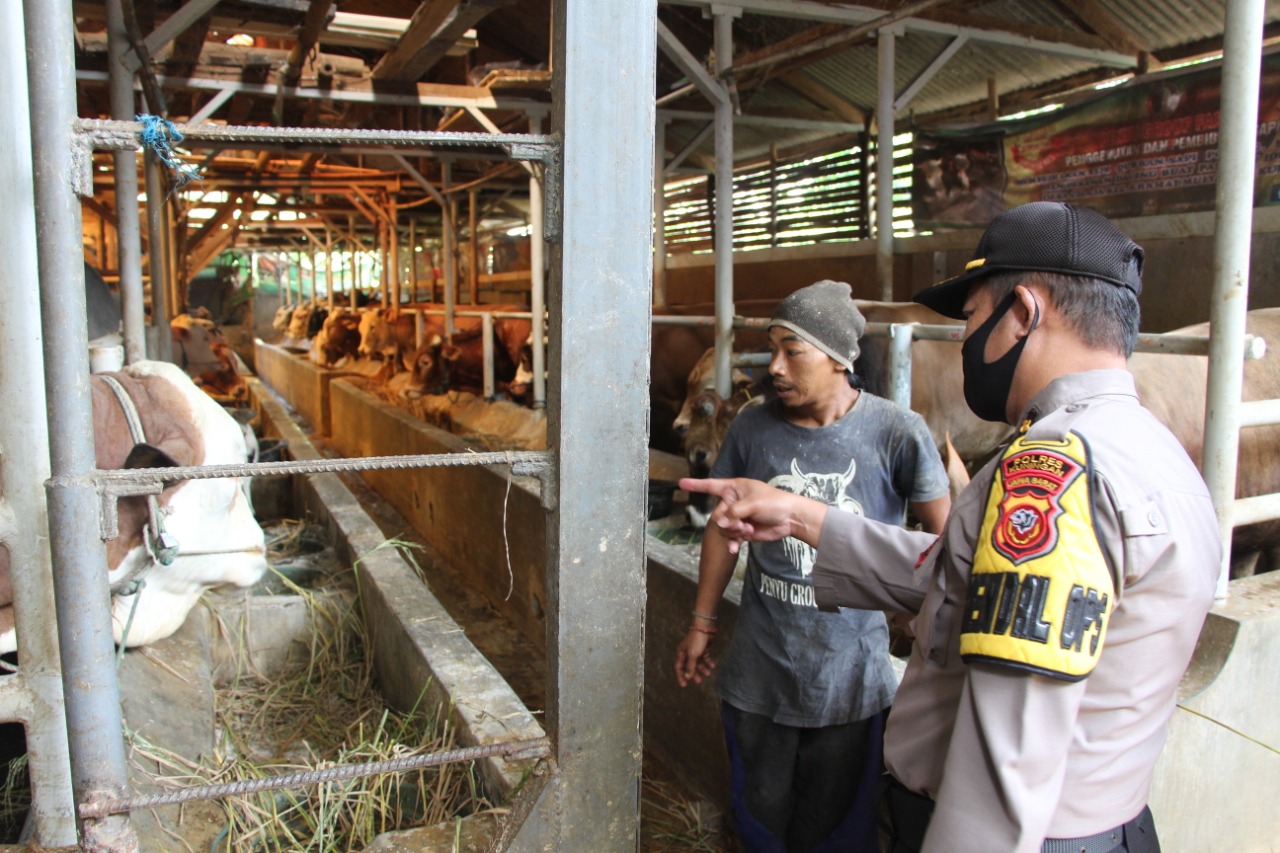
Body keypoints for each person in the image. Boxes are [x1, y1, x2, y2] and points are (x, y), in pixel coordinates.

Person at [682, 202, 1221, 853]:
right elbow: (960, 577)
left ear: (1021, 313)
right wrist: (801, 513)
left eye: (969, 318)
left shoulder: (1053, 478)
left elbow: (1006, 761)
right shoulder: (1146, 448)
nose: (964, 340)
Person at [673, 279, 952, 853]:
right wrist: (702, 623)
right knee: (759, 817)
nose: (773, 366)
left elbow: (946, 540)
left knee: (840, 829)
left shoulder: (897, 433)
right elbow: (724, 531)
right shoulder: (751, 426)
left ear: (839, 359)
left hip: (851, 679)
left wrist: (912, 609)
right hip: (760, 673)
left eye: (791, 351)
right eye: (772, 347)